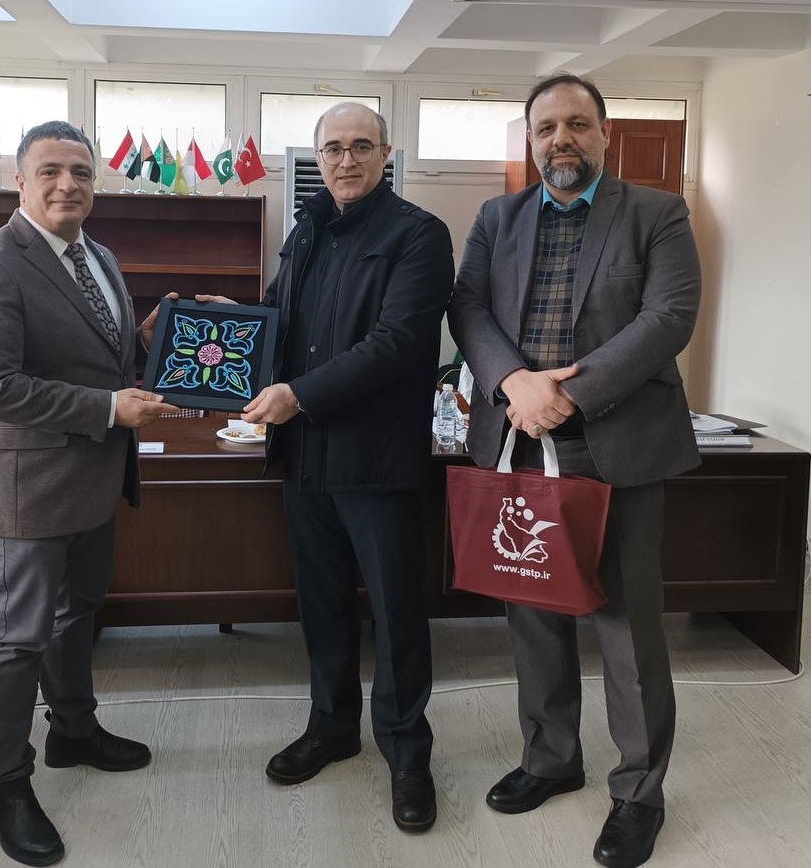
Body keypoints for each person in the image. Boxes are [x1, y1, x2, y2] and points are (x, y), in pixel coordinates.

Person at [448, 74, 700, 868]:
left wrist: (570, 393)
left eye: (577, 124)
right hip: (520, 438)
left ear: (604, 132)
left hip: (619, 443)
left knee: (627, 626)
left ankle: (639, 793)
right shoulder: (498, 218)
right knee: (534, 610)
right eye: (546, 127)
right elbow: (467, 307)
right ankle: (552, 758)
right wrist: (513, 383)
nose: (561, 138)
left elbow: (669, 317)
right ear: (531, 139)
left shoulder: (657, 213)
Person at [202, 102, 453, 832]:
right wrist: (233, 319)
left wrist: (299, 395)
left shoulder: (418, 234)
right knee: (322, 605)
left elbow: (398, 342)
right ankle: (333, 727)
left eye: (361, 146)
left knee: (397, 613)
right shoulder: (305, 229)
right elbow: (283, 321)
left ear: (386, 154)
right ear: (319, 158)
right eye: (334, 148)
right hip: (305, 458)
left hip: (378, 461)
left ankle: (406, 751)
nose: (346, 160)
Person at [0, 121, 175, 866]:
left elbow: (103, 355)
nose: (66, 184)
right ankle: (6, 785)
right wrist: (109, 408)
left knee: (79, 614)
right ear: (19, 181)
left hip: (95, 482)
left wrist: (150, 336)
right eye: (49, 170)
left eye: (80, 171)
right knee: (17, 639)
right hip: (30, 489)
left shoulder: (98, 257)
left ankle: (73, 730)